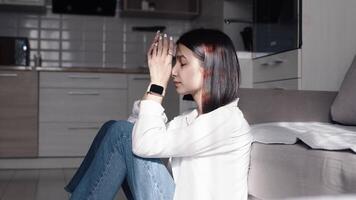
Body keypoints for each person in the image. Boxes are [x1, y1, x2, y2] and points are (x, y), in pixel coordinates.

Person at [64, 28, 252, 200]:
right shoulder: (187, 119)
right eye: (174, 62)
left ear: (210, 70)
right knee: (114, 128)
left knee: (121, 133)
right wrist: (154, 84)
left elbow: (138, 141)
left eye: (182, 63)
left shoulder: (226, 121)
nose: (173, 71)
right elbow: (135, 133)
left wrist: (157, 85)